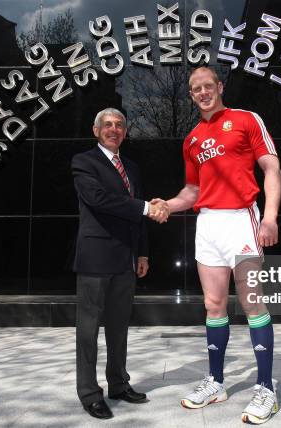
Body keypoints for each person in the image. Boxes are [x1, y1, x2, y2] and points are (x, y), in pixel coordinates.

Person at [154, 66, 281, 424]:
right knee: (213, 304)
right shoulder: (192, 139)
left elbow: (271, 169)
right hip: (208, 224)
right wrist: (167, 204)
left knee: (251, 301)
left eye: (208, 85)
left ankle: (266, 389)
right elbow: (192, 191)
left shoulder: (245, 119)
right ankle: (216, 382)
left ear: (220, 87)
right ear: (191, 95)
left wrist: (270, 217)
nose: (203, 92)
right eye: (196, 89)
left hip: (242, 219)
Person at [71, 108, 168, 419]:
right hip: (96, 259)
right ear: (96, 130)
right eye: (108, 125)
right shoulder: (84, 162)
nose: (114, 129)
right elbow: (99, 199)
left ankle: (118, 384)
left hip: (126, 259)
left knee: (118, 327)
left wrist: (143, 253)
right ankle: (89, 393)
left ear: (125, 132)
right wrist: (144, 207)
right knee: (88, 330)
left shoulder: (132, 168)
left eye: (120, 125)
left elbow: (136, 220)